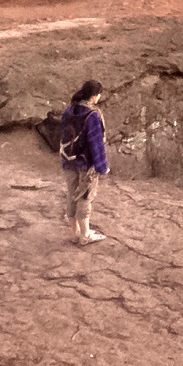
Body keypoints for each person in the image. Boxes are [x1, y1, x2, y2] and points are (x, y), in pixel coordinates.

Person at [58, 78, 110, 243]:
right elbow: (96, 144)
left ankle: (74, 233)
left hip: (68, 160)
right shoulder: (92, 115)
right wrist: (102, 167)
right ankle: (85, 236)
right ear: (94, 96)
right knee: (85, 196)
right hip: (85, 164)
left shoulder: (69, 110)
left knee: (72, 194)